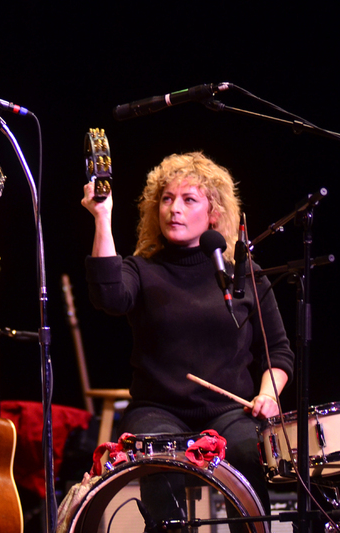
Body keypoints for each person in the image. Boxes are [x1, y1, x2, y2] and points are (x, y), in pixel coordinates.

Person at [81, 151, 294, 530]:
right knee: (157, 454)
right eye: (166, 199)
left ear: (213, 213)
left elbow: (277, 352)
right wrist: (102, 216)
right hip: (158, 409)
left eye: (188, 199)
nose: (174, 209)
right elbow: (109, 296)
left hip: (231, 410)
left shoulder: (243, 273)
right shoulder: (141, 270)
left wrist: (267, 395)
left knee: (251, 450)